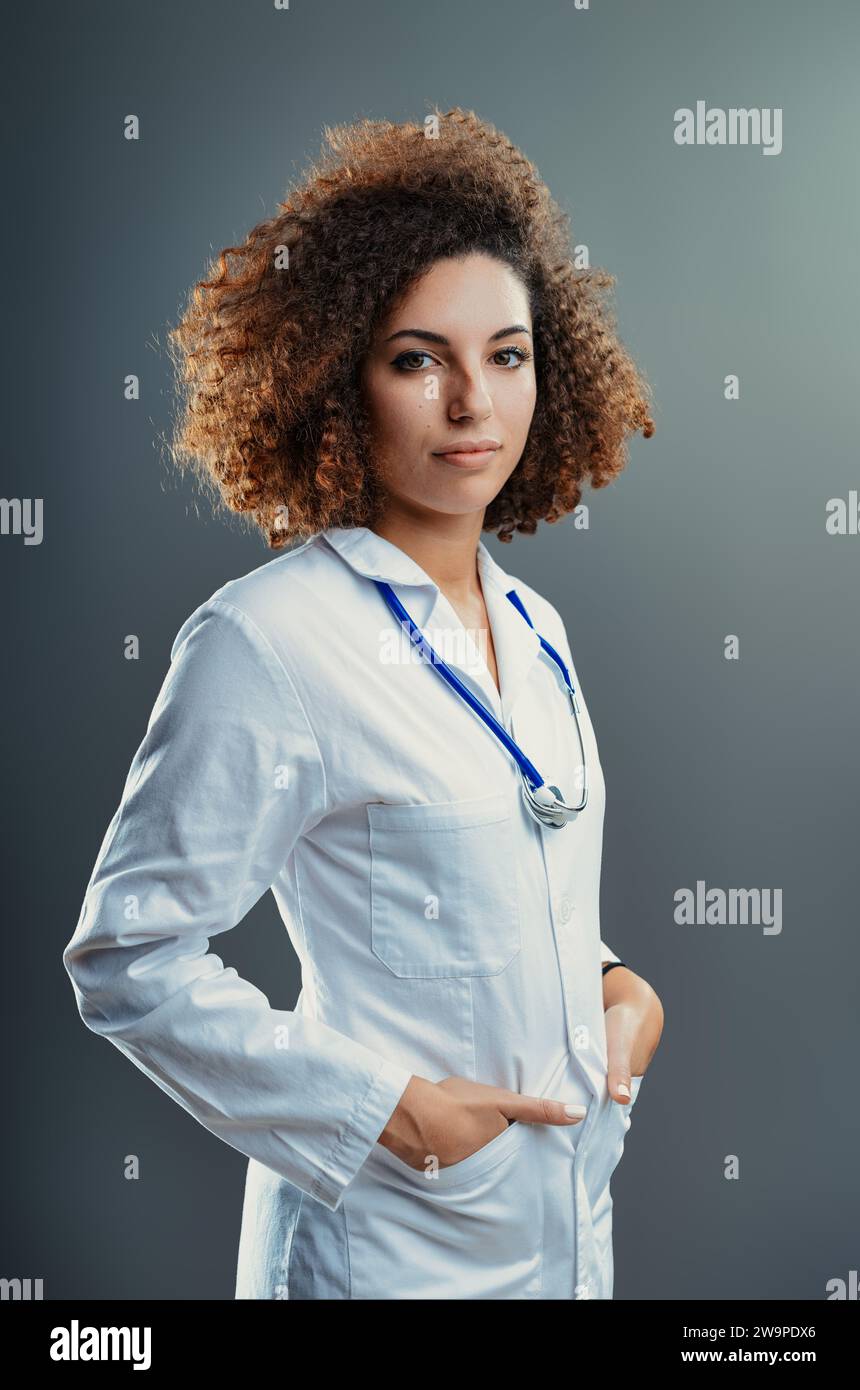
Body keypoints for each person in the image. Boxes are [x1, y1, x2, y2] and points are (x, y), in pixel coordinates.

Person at [63, 108, 663, 1300]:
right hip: (384, 1250)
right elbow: (129, 956)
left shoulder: (535, 630)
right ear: (338, 379)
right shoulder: (269, 638)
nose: (471, 405)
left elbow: (468, 886)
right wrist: (384, 1111)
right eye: (415, 358)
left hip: (560, 1239)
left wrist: (608, 981)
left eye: (505, 353)